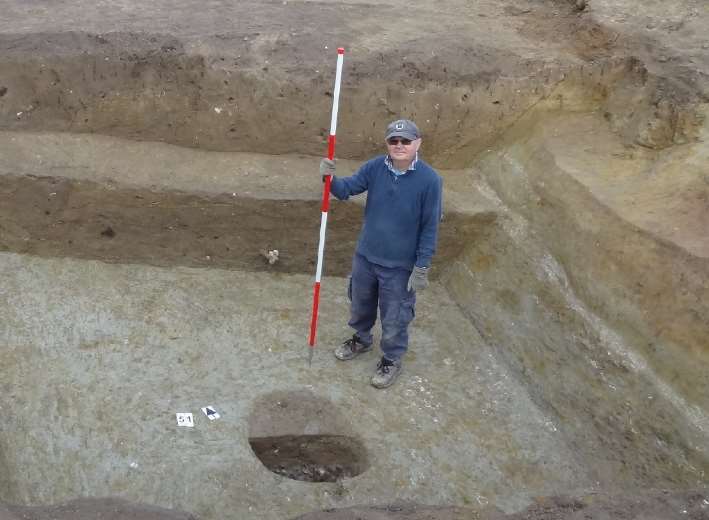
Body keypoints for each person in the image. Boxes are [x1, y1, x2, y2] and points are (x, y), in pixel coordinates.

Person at [319, 119, 443, 388]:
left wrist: (422, 266)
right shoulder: (376, 167)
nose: (399, 145)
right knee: (360, 303)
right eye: (393, 141)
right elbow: (346, 190)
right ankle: (361, 339)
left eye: (406, 141)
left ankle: (391, 359)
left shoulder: (430, 180)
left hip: (400, 266)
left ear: (418, 143)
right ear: (387, 143)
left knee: (395, 316)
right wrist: (329, 178)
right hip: (366, 256)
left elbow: (430, 226)